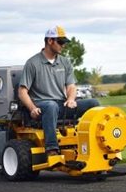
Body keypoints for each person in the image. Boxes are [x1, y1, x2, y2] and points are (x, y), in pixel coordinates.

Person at [18, 26, 100, 156]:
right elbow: (22, 91)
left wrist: (71, 99)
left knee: (93, 104)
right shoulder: (32, 63)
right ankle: (51, 148)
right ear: (50, 41)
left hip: (61, 105)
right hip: (42, 106)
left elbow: (71, 86)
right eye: (60, 42)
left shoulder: (64, 62)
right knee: (51, 105)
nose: (63, 46)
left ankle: (95, 144)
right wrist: (32, 108)